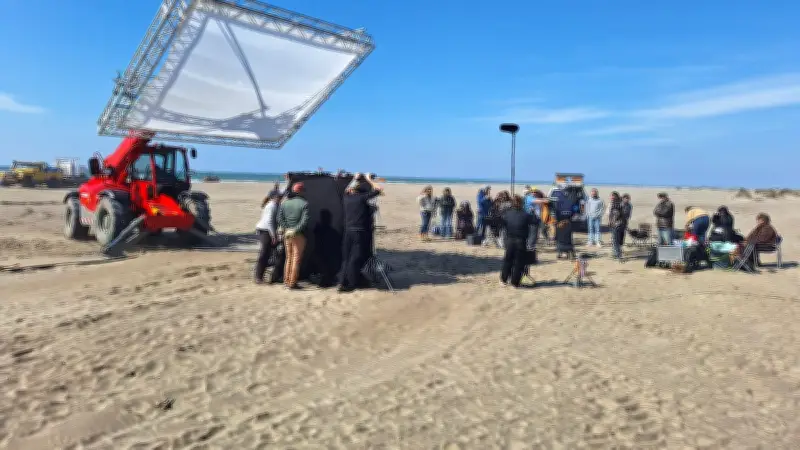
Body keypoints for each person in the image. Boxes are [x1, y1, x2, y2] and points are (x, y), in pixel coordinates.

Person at [338, 173, 383, 293]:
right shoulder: (362, 198)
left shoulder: (346, 198)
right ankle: (350, 283)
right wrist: (368, 179)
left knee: (346, 258)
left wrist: (354, 178)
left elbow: (347, 189)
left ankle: (343, 281)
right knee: (355, 258)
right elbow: (379, 189)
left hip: (348, 231)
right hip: (359, 231)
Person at [277, 182, 309, 289]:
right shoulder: (304, 204)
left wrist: (286, 228)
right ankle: (292, 282)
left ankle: (286, 280)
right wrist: (295, 230)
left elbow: (280, 218)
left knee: (288, 258)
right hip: (298, 234)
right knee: (296, 258)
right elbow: (304, 221)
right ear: (301, 192)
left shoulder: (285, 203)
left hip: (287, 233)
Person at [499, 195, 536, 287]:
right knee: (518, 262)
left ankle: (504, 279)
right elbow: (535, 221)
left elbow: (502, 224)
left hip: (510, 240)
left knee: (508, 260)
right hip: (520, 241)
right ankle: (515, 282)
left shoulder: (507, 214)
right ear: (522, 204)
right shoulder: (525, 215)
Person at [254, 191, 280, 283]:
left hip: (266, 230)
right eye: (278, 197)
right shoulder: (272, 206)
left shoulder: (274, 205)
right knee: (264, 254)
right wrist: (273, 235)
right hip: (265, 231)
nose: (280, 198)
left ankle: (261, 276)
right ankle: (258, 277)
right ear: (273, 197)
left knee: (268, 254)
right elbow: (269, 222)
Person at [608, 191, 627, 259]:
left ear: (616, 197)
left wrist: (612, 222)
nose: (611, 197)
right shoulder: (616, 203)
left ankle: (618, 255)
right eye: (611, 196)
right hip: (617, 224)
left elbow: (616, 214)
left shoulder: (617, 204)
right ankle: (616, 253)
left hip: (617, 225)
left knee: (616, 240)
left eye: (612, 196)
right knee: (616, 240)